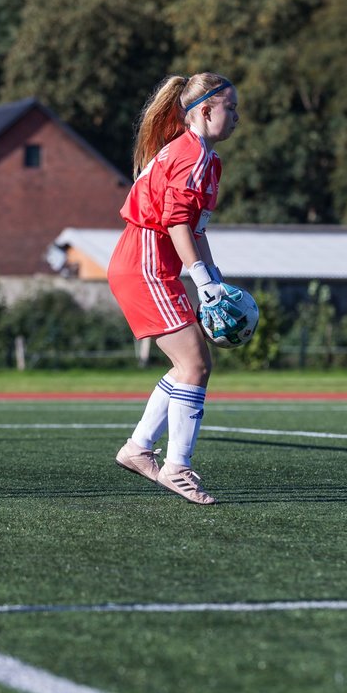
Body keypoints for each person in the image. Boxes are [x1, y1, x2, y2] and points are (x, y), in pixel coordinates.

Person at [107, 72, 240, 505]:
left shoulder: (207, 159)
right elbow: (176, 223)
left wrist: (213, 279)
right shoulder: (190, 154)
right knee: (196, 364)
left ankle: (138, 448)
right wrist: (200, 281)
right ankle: (177, 468)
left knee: (189, 365)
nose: (236, 117)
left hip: (150, 264)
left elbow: (195, 229)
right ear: (205, 110)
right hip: (144, 265)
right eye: (230, 108)